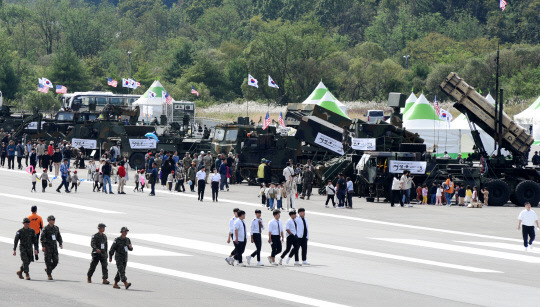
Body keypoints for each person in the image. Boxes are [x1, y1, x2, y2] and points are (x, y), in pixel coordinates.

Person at [41, 215, 63, 280]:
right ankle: (49, 274)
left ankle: (48, 269)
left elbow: (59, 236)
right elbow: (42, 238)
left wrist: (60, 243)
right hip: (48, 248)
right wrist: (43, 246)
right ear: (49, 221)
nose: (53, 221)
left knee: (56, 261)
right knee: (48, 261)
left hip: (54, 247)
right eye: (52, 220)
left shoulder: (56, 228)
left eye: (54, 220)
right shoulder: (45, 228)